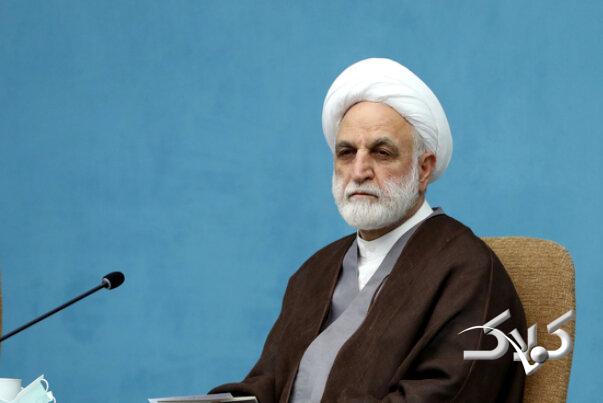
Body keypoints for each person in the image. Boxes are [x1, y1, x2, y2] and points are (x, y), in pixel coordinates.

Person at [209, 58, 526, 402]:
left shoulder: (470, 271)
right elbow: (267, 384)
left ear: (423, 169)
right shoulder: (314, 272)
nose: (359, 171)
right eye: (346, 152)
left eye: (382, 152)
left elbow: (450, 393)